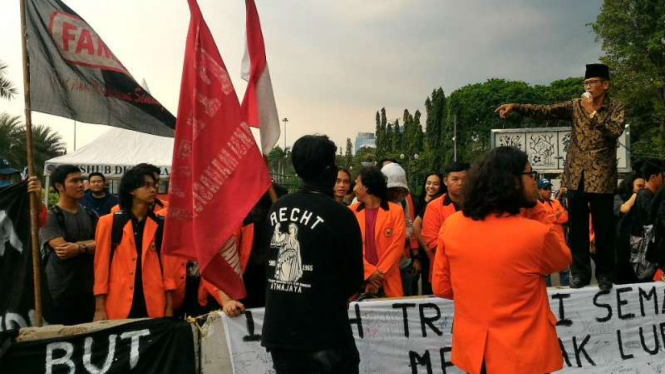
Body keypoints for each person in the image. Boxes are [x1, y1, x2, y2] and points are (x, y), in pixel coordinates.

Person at [432, 146, 572, 374]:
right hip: (523, 356)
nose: (535, 182)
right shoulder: (536, 234)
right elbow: (562, 260)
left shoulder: (452, 225)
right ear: (513, 181)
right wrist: (537, 209)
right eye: (530, 175)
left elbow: (442, 287)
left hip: (476, 355)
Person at [496, 63, 625, 291]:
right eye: (586, 83)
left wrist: (592, 112)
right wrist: (516, 106)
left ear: (606, 85)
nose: (589, 87)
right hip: (576, 175)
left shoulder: (615, 108)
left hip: (602, 176)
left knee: (604, 227)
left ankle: (605, 275)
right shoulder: (575, 106)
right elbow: (546, 111)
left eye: (593, 82)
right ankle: (580, 273)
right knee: (577, 227)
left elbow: (614, 132)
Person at [262, 135, 364, 374]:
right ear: (329, 169)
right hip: (324, 337)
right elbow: (354, 281)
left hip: (280, 333)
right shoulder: (340, 215)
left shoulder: (278, 208)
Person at [93, 165, 174, 320]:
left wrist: (169, 307)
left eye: (154, 185)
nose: (154, 189)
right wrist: (99, 308)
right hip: (119, 303)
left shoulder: (161, 224)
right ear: (132, 191)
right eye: (147, 185)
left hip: (153, 304)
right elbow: (101, 267)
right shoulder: (109, 222)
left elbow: (168, 270)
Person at [39, 165, 97, 325]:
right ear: (59, 186)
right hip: (60, 292)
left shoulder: (90, 214)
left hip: (88, 289)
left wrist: (78, 247)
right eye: (74, 181)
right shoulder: (51, 217)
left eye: (81, 180)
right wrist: (90, 246)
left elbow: (104, 244)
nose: (81, 185)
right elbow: (62, 249)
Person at [351, 167, 406, 298]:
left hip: (389, 283)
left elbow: (397, 248)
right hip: (358, 283)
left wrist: (378, 275)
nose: (353, 188)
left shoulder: (396, 212)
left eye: (357, 182)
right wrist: (369, 273)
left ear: (366, 187)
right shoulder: (350, 212)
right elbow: (349, 249)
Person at [421, 162, 469, 274]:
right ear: (445, 181)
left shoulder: (478, 205)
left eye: (465, 179)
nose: (460, 183)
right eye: (455, 179)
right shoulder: (434, 206)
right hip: (444, 268)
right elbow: (432, 241)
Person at [381, 162, 416, 296]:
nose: (396, 193)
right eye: (393, 189)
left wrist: (405, 236)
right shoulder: (370, 202)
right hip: (378, 268)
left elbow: (408, 223)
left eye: (399, 190)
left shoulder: (403, 202)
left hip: (400, 263)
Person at [413, 173, 445, 295]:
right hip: (426, 250)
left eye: (436, 184)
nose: (431, 186)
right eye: (429, 183)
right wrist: (426, 250)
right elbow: (415, 225)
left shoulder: (440, 202)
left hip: (433, 250)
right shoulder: (419, 202)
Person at [613, 174, 646, 284]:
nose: (642, 189)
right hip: (621, 246)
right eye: (639, 186)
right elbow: (624, 208)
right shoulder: (618, 197)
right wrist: (636, 194)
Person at [538, 178, 570, 286]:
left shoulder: (556, 202)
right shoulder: (537, 205)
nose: (548, 191)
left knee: (564, 268)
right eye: (545, 188)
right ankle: (548, 293)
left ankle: (566, 290)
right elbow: (540, 221)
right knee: (546, 270)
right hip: (546, 242)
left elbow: (565, 217)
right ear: (539, 190)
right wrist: (555, 216)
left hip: (560, 240)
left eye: (549, 188)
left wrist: (551, 218)